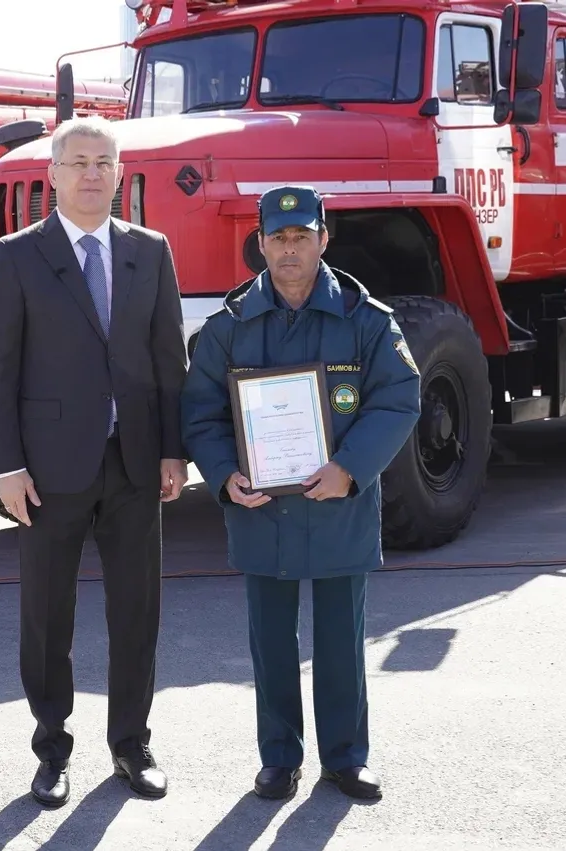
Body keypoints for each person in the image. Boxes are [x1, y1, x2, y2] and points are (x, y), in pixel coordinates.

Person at [179, 185, 421, 801]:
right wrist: (223, 474)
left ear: (323, 239)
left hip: (337, 502)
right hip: (262, 510)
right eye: (278, 238)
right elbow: (201, 414)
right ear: (260, 244)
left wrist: (349, 467)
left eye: (302, 236)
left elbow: (398, 399)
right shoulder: (228, 328)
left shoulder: (368, 322)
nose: (291, 249)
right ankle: (278, 758)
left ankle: (345, 759)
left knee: (341, 640)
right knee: (271, 643)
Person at [0, 116, 189, 807]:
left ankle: (131, 742)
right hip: (47, 469)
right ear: (54, 176)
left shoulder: (150, 251)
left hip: (133, 464)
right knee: (47, 615)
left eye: (104, 161)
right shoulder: (14, 257)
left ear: (120, 174)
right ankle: (50, 747)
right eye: (79, 162)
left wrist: (172, 449)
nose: (92, 173)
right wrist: (7, 466)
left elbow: (168, 361)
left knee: (137, 611)